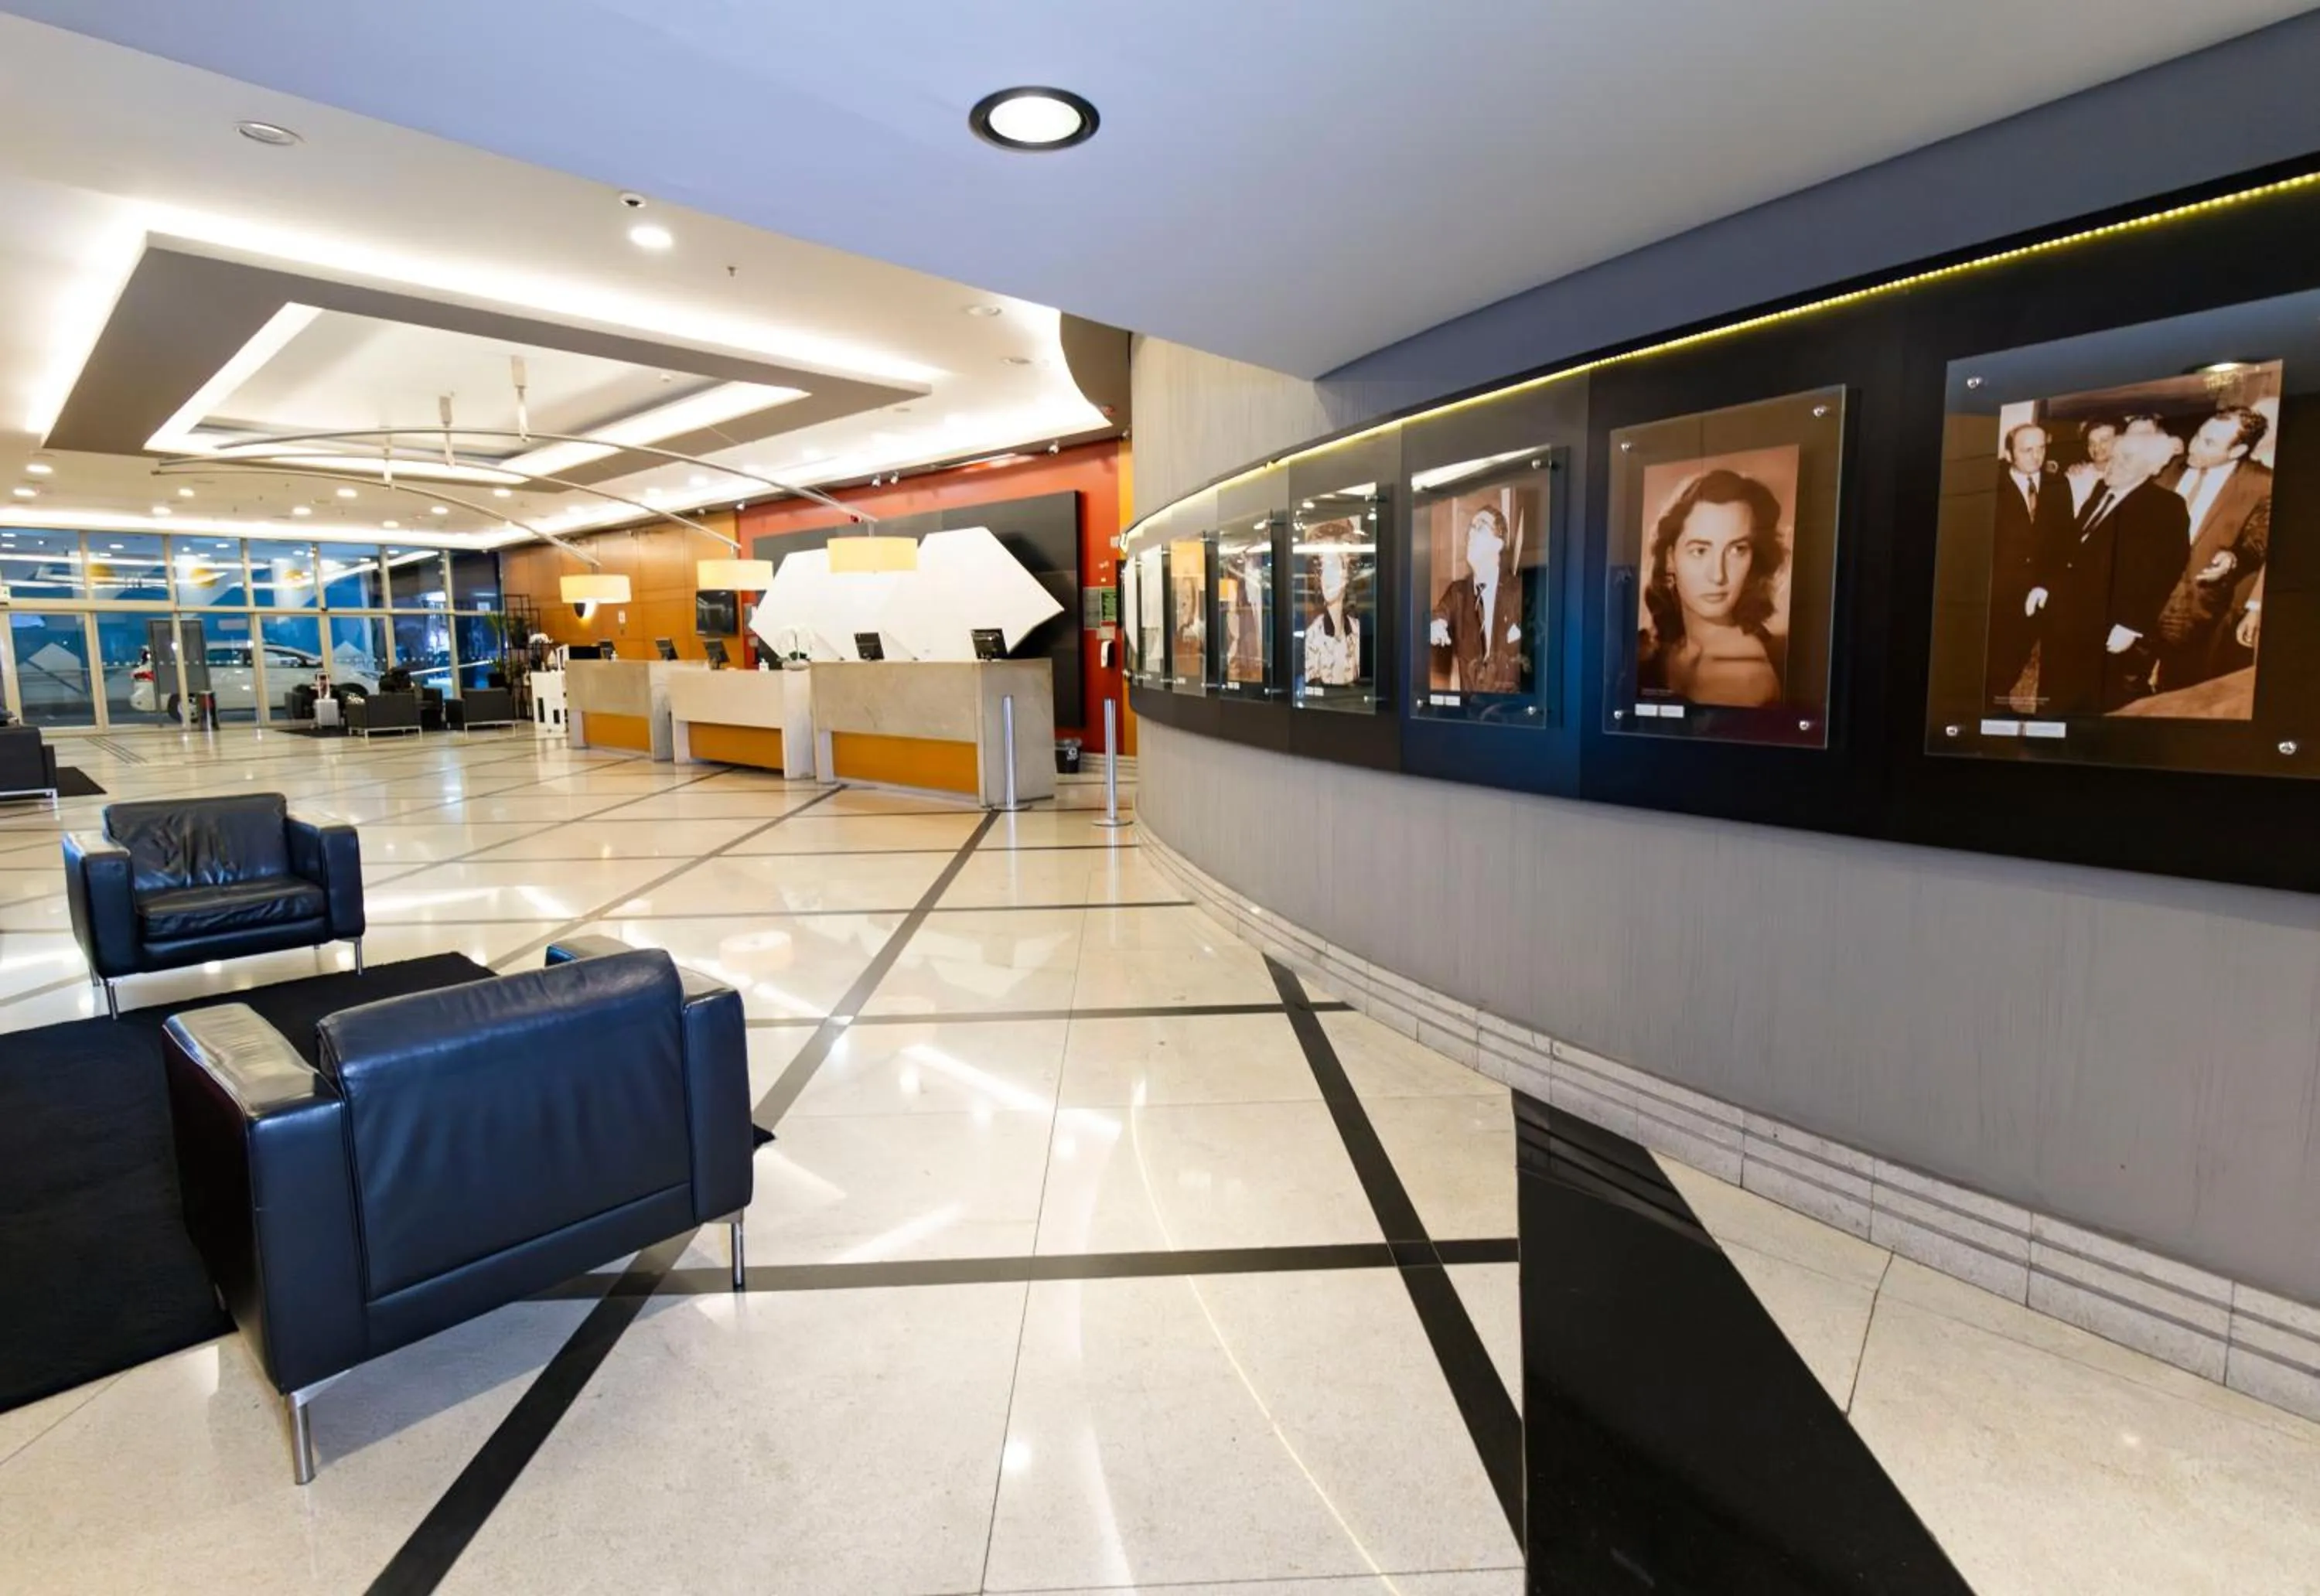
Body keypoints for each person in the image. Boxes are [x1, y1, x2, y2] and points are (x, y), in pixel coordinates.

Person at [2024, 428, 2189, 715]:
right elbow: (2076, 543)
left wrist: (2132, 624)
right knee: (2055, 686)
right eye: (2116, 455)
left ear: (2153, 467)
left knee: (2089, 696)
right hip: (2064, 612)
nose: (2114, 462)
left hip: (2107, 621)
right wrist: (2046, 585)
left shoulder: (2167, 507)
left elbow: (2165, 571)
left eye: (2127, 458)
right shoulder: (2104, 488)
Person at [1636, 469, 1786, 708]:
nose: (1718, 575)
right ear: (1671, 558)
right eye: (1700, 550)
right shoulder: (1657, 649)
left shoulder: (1749, 679)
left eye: (1737, 550)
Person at [2154, 405, 2272, 691]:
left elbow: (2258, 541)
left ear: (2236, 451)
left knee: (2177, 691)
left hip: (2194, 606)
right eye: (2198, 435)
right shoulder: (2170, 467)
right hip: (2141, 601)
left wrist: (2234, 558)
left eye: (2209, 443)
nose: (2194, 446)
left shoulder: (2263, 484)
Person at [1987, 422, 2071, 705]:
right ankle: (1985, 709)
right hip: (1996, 595)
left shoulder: (2059, 486)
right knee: (1991, 660)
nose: (2036, 457)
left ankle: (1997, 701)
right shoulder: (1990, 486)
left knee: (2017, 657)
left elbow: (2064, 542)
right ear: (2009, 454)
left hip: (2037, 595)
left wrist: (2047, 584)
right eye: (2027, 450)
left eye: (2041, 448)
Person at [1428, 502, 1526, 694]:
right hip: (1471, 714)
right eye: (1470, 529)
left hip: (1512, 715)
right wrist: (1436, 625)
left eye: (1479, 527)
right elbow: (1438, 615)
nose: (1471, 535)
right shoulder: (1457, 593)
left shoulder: (1519, 591)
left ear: (1498, 543)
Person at [1302, 523, 1363, 688]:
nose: (1326, 577)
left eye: (1333, 567)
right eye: (1322, 569)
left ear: (1346, 573)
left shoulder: (1357, 630)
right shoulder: (1313, 637)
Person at [2066, 420, 2118, 513]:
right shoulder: (2076, 477)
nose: (2096, 448)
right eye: (2092, 443)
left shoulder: (2130, 476)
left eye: (2104, 441)